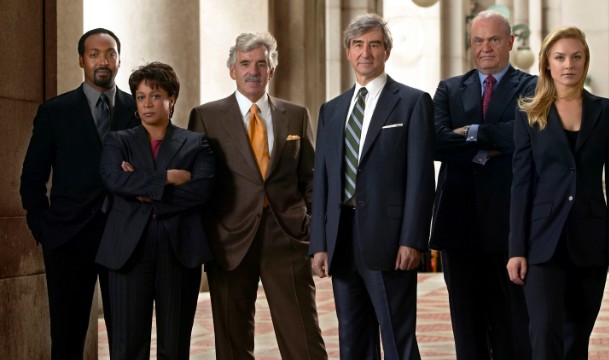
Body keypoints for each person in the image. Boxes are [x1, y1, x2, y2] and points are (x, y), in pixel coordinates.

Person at [188, 32, 327, 360]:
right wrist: (205, 239)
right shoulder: (206, 116)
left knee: (303, 338)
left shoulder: (295, 116)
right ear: (232, 70)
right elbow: (198, 185)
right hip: (228, 240)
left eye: (261, 64)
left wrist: (316, 233)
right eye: (245, 63)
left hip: (288, 237)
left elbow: (310, 180)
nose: (253, 70)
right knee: (232, 340)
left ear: (272, 70)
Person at [310, 13, 435, 359]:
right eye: (358, 45)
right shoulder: (331, 111)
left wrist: (412, 239)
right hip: (341, 239)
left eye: (374, 45)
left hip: (390, 239)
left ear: (386, 52)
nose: (366, 52)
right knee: (352, 341)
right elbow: (321, 182)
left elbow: (421, 179)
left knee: (398, 339)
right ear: (349, 52)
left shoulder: (412, 103)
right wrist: (319, 244)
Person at [507, 26, 609, 359]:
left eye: (576, 57)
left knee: (578, 338)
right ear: (547, 63)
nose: (568, 65)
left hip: (590, 238)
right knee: (545, 333)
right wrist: (515, 248)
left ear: (586, 61)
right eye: (560, 57)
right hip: (541, 241)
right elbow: (521, 183)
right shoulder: (530, 112)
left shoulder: (605, 111)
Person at [19, 28, 137, 359]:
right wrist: (43, 228)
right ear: (81, 60)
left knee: (127, 338)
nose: (104, 60)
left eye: (110, 53)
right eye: (95, 54)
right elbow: (32, 178)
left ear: (119, 59)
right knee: (67, 338)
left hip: (124, 239)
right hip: (67, 239)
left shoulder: (136, 110)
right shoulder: (55, 112)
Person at [429, 10, 536, 359]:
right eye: (478, 40)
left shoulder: (532, 87)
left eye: (493, 39)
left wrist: (471, 132)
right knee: (467, 326)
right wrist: (489, 147)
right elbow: (437, 142)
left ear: (510, 42)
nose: (485, 47)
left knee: (511, 326)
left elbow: (522, 135)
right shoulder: (448, 89)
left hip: (509, 225)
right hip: (458, 224)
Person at [95, 62, 215, 359]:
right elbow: (113, 180)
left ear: (171, 99)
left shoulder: (195, 143)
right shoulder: (118, 141)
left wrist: (142, 188)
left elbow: (201, 191)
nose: (147, 103)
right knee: (125, 346)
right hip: (126, 251)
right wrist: (167, 178)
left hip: (179, 251)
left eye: (155, 95)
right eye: (140, 96)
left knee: (174, 347)